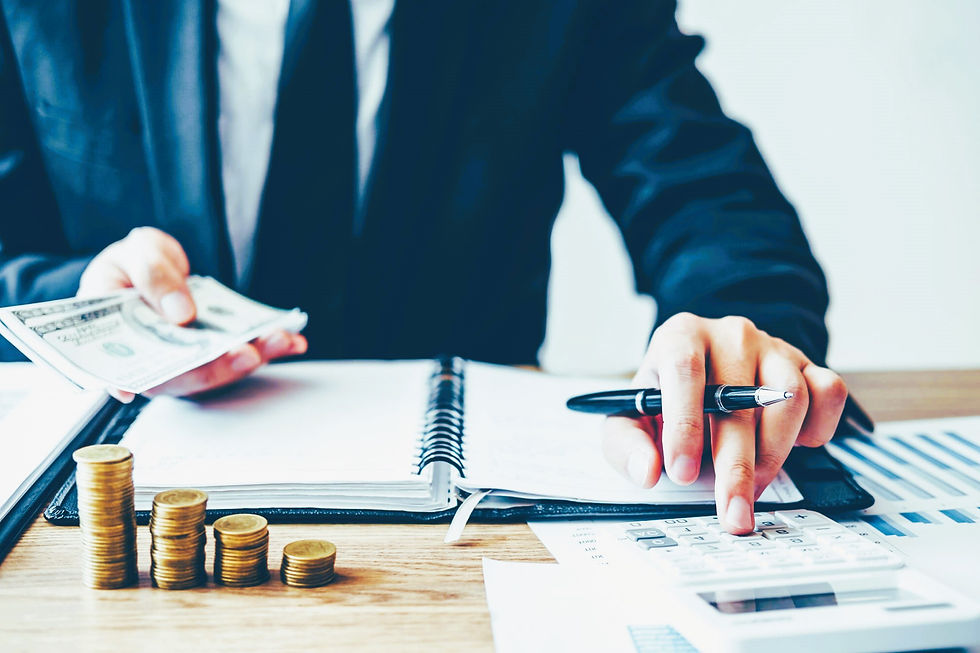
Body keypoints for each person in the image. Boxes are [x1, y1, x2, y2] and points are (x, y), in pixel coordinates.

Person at [0, 1, 846, 533]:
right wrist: (72, 301)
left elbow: (708, 197)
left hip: (468, 530)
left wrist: (730, 335)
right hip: (119, 519)